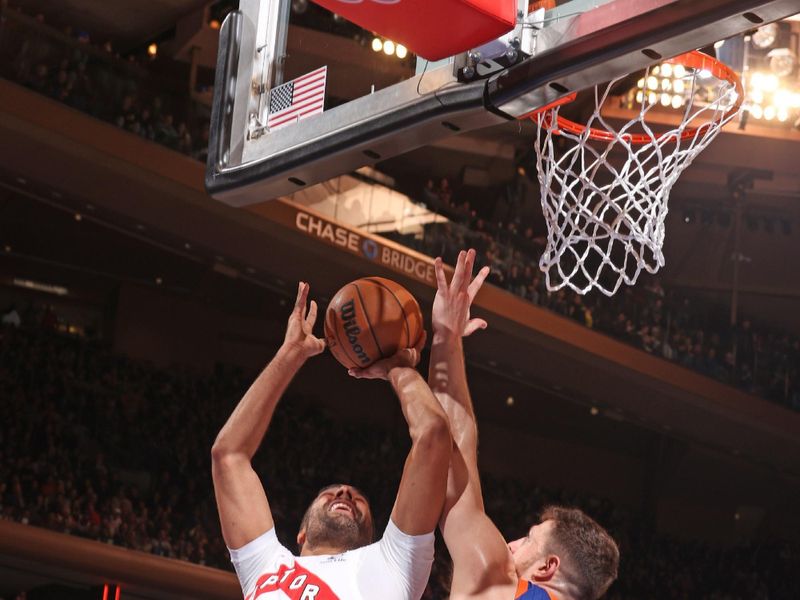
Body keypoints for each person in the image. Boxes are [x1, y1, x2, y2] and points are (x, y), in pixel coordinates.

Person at [211, 281, 451, 600]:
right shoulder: (267, 563)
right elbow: (227, 455)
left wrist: (397, 369)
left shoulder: (392, 561)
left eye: (358, 498)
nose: (344, 492)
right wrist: (289, 355)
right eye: (329, 492)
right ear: (301, 533)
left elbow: (433, 435)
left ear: (372, 534)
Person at [428, 250, 619, 600]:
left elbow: (454, 451)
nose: (512, 543)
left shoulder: (500, 578)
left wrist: (445, 337)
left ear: (547, 567)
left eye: (528, 539)